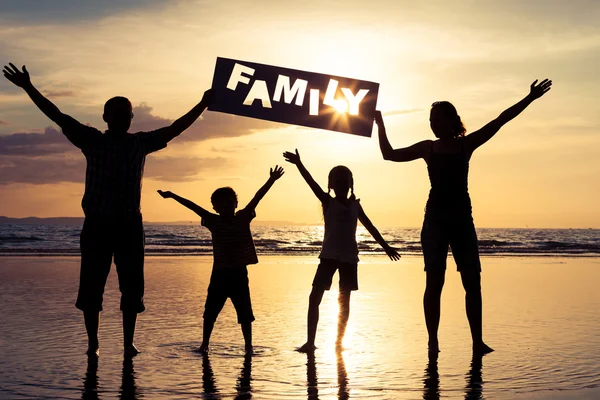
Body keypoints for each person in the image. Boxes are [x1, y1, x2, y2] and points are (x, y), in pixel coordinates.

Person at [3, 62, 214, 358]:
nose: (122, 118)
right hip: (97, 225)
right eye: (116, 114)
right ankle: (94, 342)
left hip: (129, 225)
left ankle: (128, 342)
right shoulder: (91, 139)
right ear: (105, 117)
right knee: (91, 287)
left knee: (131, 289)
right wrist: (28, 88)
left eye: (127, 114)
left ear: (131, 118)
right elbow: (58, 116)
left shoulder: (140, 143)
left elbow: (174, 129)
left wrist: (202, 104)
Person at [375, 79, 552, 355]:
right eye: (430, 120)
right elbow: (388, 155)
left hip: (461, 221)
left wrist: (529, 98)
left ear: (450, 120)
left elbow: (500, 120)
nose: (432, 124)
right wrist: (380, 124)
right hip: (434, 221)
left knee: (472, 282)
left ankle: (477, 342)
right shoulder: (427, 148)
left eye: (436, 119)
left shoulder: (465, 145)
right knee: (434, 282)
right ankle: (433, 342)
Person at [157, 165, 285, 354]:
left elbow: (257, 197)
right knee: (210, 312)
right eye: (221, 203)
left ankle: (248, 346)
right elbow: (193, 206)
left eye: (229, 201)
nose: (226, 205)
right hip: (219, 275)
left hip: (239, 274)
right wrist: (173, 195)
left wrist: (271, 180)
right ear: (215, 207)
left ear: (235, 203)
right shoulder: (213, 220)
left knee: (245, 314)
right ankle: (205, 344)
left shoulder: (242, 217)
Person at [283, 149, 400, 353]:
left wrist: (386, 246)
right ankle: (310, 341)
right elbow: (311, 183)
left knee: (344, 300)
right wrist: (299, 164)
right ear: (331, 185)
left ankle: (339, 342)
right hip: (328, 257)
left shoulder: (355, 206)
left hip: (349, 259)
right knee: (314, 298)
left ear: (350, 184)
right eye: (337, 182)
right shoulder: (328, 201)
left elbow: (370, 227)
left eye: (344, 182)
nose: (341, 185)